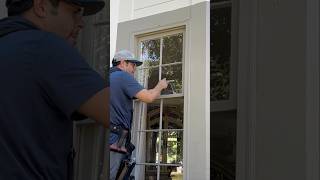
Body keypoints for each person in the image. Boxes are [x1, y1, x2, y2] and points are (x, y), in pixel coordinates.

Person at [0, 0, 108, 179]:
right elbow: (112, 111)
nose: (81, 23)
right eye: (74, 12)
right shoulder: (44, 46)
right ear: (41, 6)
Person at [109, 50, 168, 180]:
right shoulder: (122, 77)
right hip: (115, 139)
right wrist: (160, 86)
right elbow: (148, 97)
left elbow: (142, 94)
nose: (134, 69)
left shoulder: (108, 78)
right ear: (123, 63)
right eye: (133, 65)